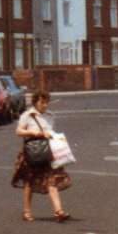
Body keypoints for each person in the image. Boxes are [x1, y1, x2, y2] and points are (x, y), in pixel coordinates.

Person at [12, 90, 71, 222]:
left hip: (47, 151)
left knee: (52, 179)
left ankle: (58, 211)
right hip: (32, 152)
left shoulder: (50, 116)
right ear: (35, 102)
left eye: (46, 102)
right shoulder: (27, 115)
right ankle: (27, 212)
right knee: (29, 181)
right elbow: (19, 131)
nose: (45, 105)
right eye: (42, 102)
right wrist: (35, 133)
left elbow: (50, 132)